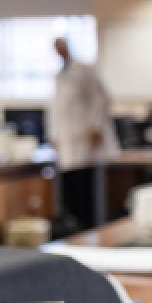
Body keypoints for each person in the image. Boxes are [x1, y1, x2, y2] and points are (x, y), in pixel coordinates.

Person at [47, 37, 119, 230]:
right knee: (70, 189)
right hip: (67, 141)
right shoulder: (60, 75)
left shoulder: (84, 70)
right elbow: (57, 108)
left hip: (85, 139)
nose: (59, 52)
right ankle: (74, 227)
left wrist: (96, 127)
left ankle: (89, 227)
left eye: (61, 48)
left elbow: (101, 99)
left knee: (86, 189)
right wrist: (53, 135)